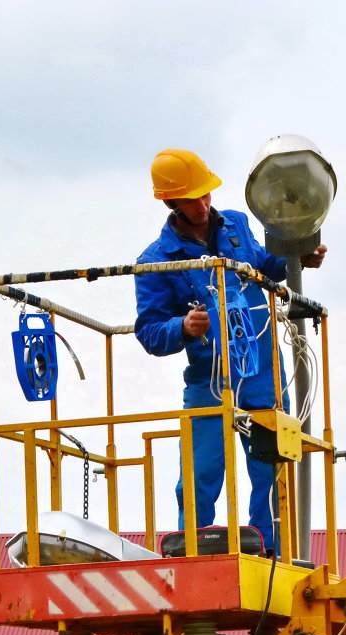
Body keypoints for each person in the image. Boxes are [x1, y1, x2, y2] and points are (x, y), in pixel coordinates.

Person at [133, 148, 326, 555]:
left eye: (205, 195)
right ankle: (194, 550)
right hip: (209, 380)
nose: (202, 205)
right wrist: (182, 327)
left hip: (263, 373)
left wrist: (297, 255)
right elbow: (150, 332)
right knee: (200, 472)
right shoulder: (155, 261)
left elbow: (263, 265)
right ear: (171, 202)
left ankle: (270, 550)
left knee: (272, 468)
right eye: (191, 199)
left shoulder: (236, 225)